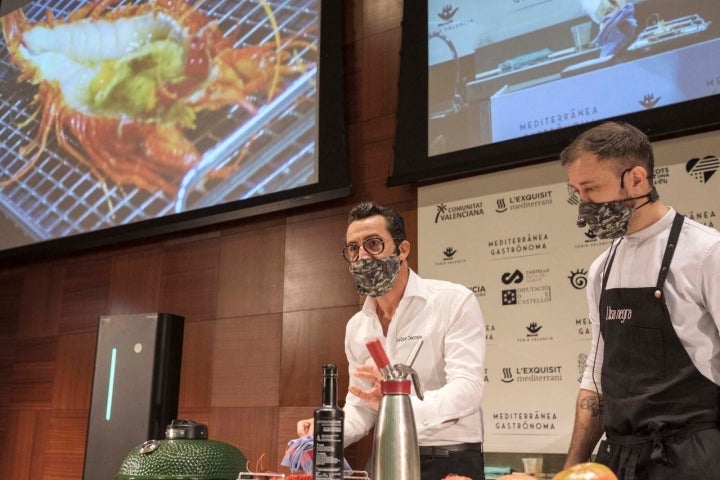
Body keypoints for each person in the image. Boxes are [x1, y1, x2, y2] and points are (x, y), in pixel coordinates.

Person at [560, 121, 720, 479]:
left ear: (636, 178)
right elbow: (596, 377)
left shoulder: (707, 252)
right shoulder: (602, 267)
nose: (584, 204)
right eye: (578, 193)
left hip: (693, 457)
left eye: (591, 189)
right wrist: (572, 466)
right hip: (618, 459)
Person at [297, 201, 487, 480]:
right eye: (353, 248)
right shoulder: (357, 327)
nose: (362, 256)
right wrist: (327, 432)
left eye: (373, 244)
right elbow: (361, 407)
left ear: (402, 250)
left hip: (448, 459)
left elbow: (467, 389)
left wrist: (397, 406)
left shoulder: (453, 301)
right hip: (385, 458)